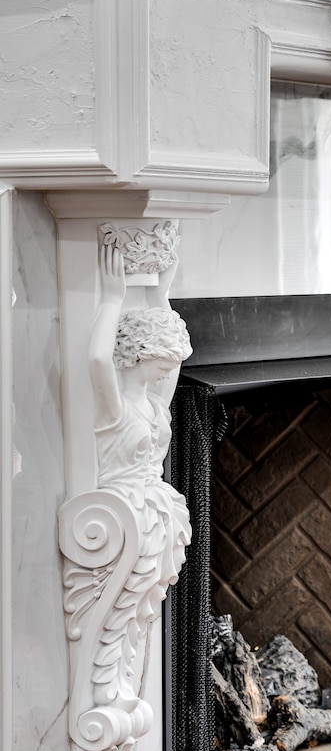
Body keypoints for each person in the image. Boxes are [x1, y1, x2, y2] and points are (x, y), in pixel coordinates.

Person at [88, 243, 193, 618]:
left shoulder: (154, 405)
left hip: (153, 515)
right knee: (121, 616)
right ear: (138, 355)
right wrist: (112, 300)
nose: (169, 371)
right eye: (162, 363)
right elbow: (99, 359)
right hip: (123, 516)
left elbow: (175, 365)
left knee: (140, 615)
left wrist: (159, 295)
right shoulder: (116, 410)